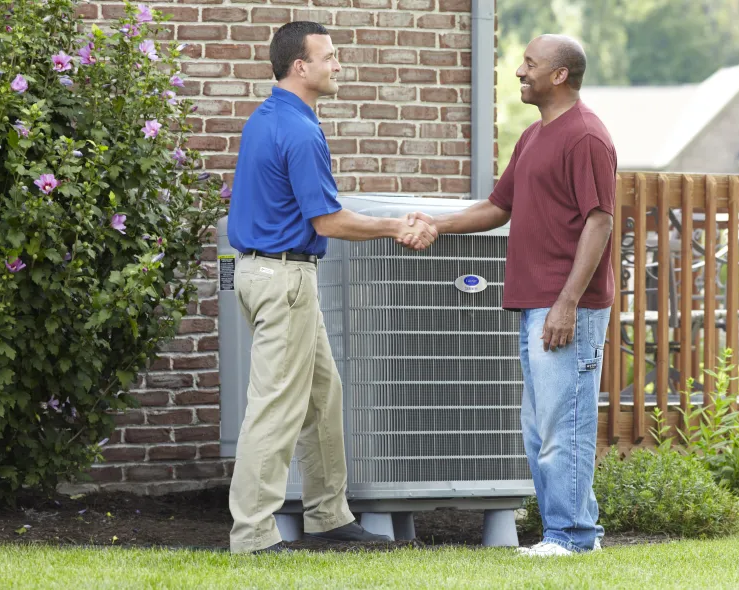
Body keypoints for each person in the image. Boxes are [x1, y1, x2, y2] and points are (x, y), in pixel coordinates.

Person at [226, 21, 438, 554]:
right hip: (286, 279)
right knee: (276, 406)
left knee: (323, 397)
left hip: (267, 274)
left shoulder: (267, 118)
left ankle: (327, 516)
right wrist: (395, 226)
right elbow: (328, 221)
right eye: (330, 57)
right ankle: (252, 534)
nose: (338, 65)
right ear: (301, 66)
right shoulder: (299, 130)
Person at [404, 34, 616, 557]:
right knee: (540, 428)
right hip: (534, 302)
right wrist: (438, 224)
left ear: (560, 75)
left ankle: (570, 537)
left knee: (563, 424)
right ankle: (567, 531)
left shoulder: (585, 135)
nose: (520, 72)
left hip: (568, 306)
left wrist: (568, 301)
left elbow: (600, 220)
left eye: (530, 64)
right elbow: (500, 208)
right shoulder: (534, 136)